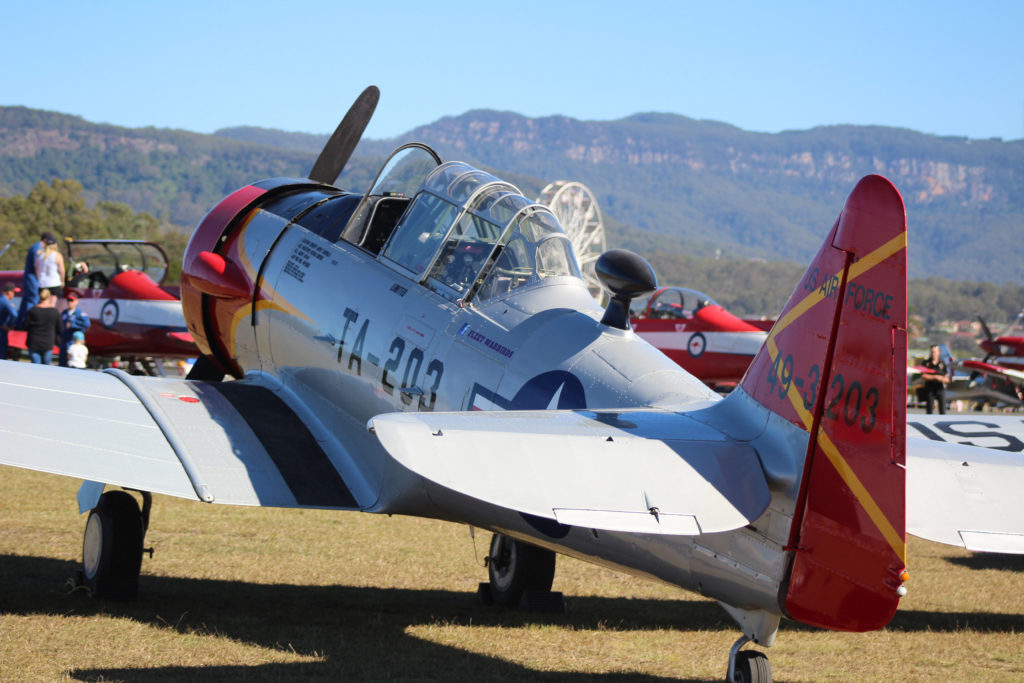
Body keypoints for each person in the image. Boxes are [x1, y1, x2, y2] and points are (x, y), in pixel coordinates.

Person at [15, 231, 55, 327]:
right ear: (45, 240)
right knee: (33, 300)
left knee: (26, 300)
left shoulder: (35, 246)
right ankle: (28, 323)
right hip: (32, 278)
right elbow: (36, 266)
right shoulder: (37, 248)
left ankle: (20, 323)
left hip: (29, 277)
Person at [23, 288, 62, 365]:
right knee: (46, 368)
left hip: (33, 342)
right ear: (49, 297)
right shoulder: (54, 312)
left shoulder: (32, 310)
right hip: (48, 343)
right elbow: (60, 329)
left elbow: (25, 326)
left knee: (35, 367)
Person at [59, 291, 90, 367]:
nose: (69, 302)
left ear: (76, 301)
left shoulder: (80, 313)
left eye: (72, 300)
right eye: (68, 300)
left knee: (74, 364)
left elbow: (87, 324)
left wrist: (73, 325)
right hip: (64, 342)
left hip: (74, 343)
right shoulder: (64, 313)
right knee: (62, 364)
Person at [918, 344, 951, 414]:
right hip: (930, 389)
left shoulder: (942, 364)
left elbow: (947, 378)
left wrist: (941, 379)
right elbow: (923, 376)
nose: (933, 354)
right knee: (929, 410)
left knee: (943, 411)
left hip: (940, 389)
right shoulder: (926, 363)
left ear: (939, 352)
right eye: (932, 352)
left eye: (935, 352)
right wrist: (935, 377)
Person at [0, 282, 17, 360]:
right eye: (13, 292)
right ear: (9, 292)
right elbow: (14, 315)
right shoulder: (5, 302)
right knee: (2, 355)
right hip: (2, 332)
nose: (14, 294)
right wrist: (10, 325)